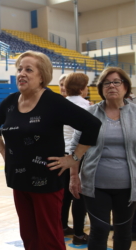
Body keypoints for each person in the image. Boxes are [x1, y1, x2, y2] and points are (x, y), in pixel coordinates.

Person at [0, 50, 101, 250]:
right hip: (18, 179)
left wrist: (74, 158)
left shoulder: (53, 102)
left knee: (50, 239)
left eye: (29, 70)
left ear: (42, 77)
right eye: (20, 69)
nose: (21, 73)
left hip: (46, 180)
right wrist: (3, 150)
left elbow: (92, 125)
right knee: (29, 237)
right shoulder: (11, 102)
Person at [70, 67, 136, 250]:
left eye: (116, 82)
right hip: (95, 184)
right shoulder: (90, 113)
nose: (112, 86)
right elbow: (75, 147)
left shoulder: (135, 113)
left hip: (128, 186)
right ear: (101, 88)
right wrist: (74, 177)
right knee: (99, 229)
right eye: (107, 83)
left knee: (124, 231)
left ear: (125, 86)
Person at [61, 73, 90, 245]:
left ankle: (63, 226)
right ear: (81, 88)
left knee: (64, 194)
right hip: (79, 155)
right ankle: (79, 234)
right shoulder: (87, 107)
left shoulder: (59, 105)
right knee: (79, 194)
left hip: (60, 154)